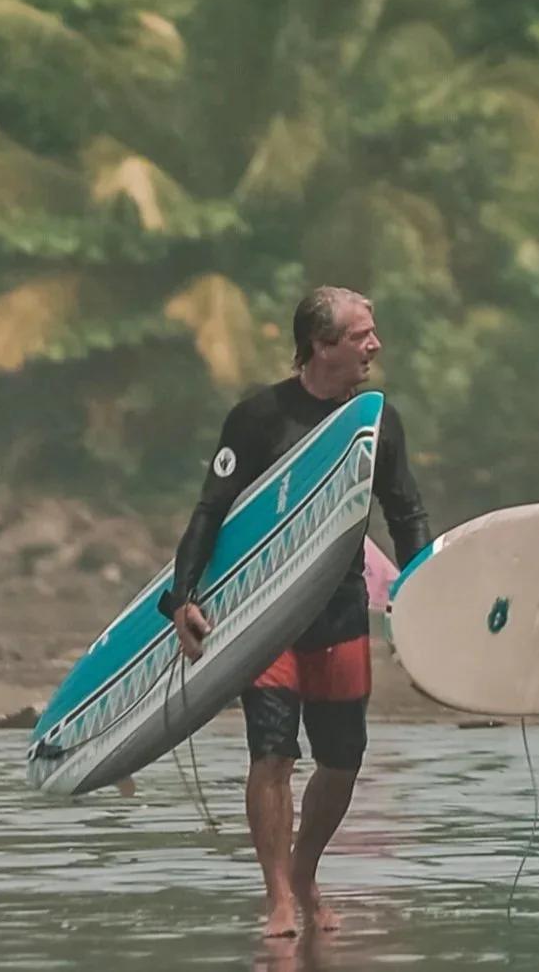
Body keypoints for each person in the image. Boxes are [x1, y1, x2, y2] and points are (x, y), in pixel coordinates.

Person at [165, 287, 433, 940]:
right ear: (322, 345)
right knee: (273, 753)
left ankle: (305, 870)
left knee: (342, 760)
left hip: (340, 607)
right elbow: (212, 510)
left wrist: (425, 598)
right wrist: (183, 596)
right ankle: (279, 895)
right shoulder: (259, 416)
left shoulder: (376, 418)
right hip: (265, 611)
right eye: (362, 335)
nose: (375, 345)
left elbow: (406, 514)